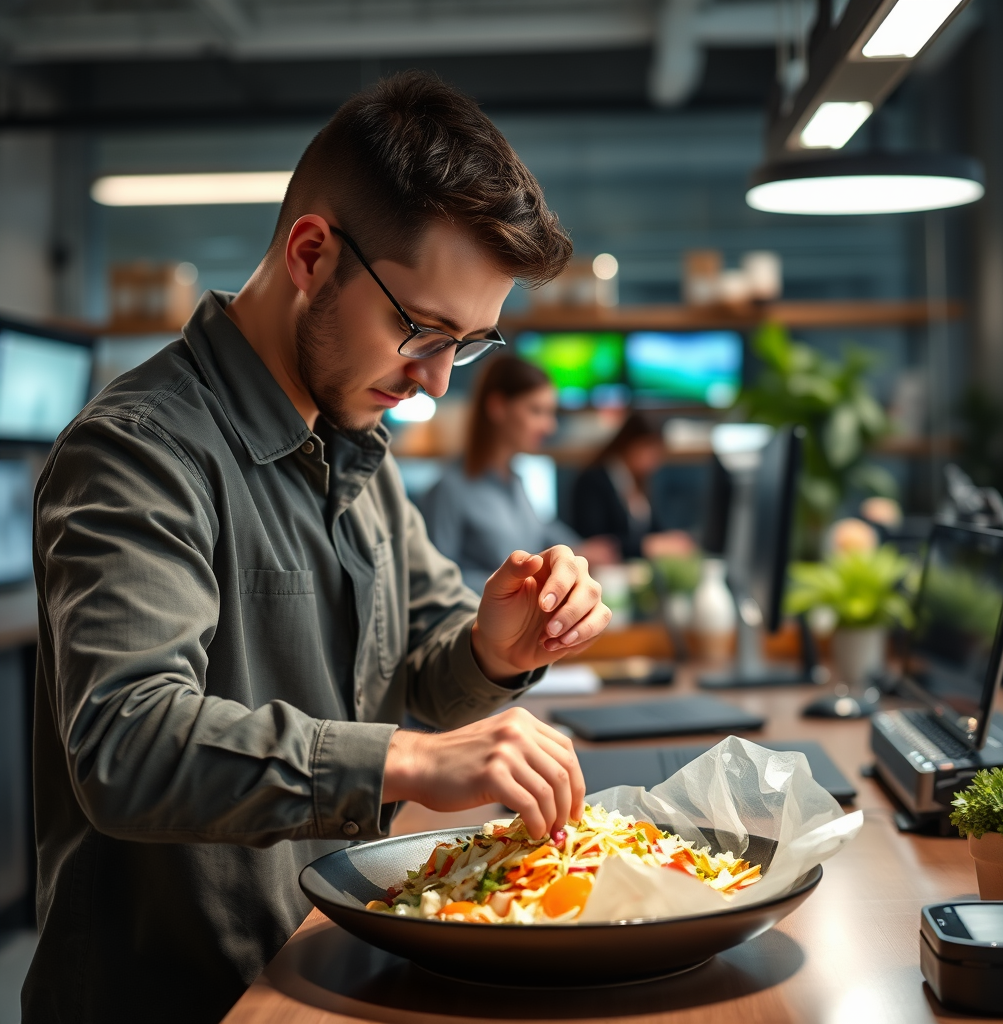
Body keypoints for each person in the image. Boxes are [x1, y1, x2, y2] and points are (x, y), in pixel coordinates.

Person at [24, 72, 611, 1024]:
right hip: (190, 998)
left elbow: (423, 663)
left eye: (465, 346)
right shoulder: (137, 449)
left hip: (325, 962)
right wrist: (406, 765)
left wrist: (496, 652)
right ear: (310, 252)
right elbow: (125, 743)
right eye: (419, 332)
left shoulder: (358, 449)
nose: (434, 385)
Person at [420, 355, 615, 592]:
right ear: (498, 407)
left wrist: (582, 551)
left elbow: (542, 532)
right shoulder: (449, 490)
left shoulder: (514, 483)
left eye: (550, 412)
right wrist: (515, 588)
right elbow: (435, 583)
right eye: (536, 411)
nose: (549, 426)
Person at [571, 411, 694, 560]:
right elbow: (596, 543)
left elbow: (653, 530)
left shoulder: (638, 481)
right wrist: (647, 546)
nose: (654, 461)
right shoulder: (593, 480)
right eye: (649, 450)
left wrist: (670, 540)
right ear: (630, 443)